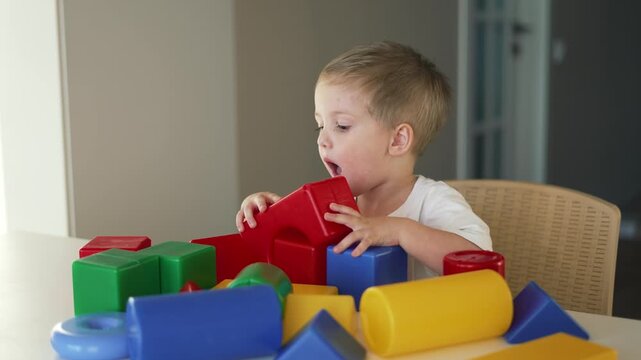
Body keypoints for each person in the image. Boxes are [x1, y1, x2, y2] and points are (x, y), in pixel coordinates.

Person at [236, 41, 491, 279]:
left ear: (398, 140)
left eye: (342, 126)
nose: (322, 140)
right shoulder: (336, 207)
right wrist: (274, 215)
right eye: (320, 126)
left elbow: (483, 263)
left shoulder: (432, 201)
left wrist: (400, 231)